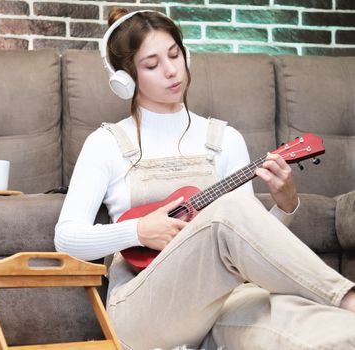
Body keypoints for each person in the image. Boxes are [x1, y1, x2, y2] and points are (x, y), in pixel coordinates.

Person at [55, 8, 355, 350]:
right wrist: (138, 231)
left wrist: (285, 205)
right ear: (126, 80)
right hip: (143, 309)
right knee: (228, 209)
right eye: (152, 65)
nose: (171, 71)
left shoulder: (225, 139)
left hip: (224, 299)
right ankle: (346, 296)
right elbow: (66, 239)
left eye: (174, 55)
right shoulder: (106, 143)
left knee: (330, 333)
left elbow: (245, 240)